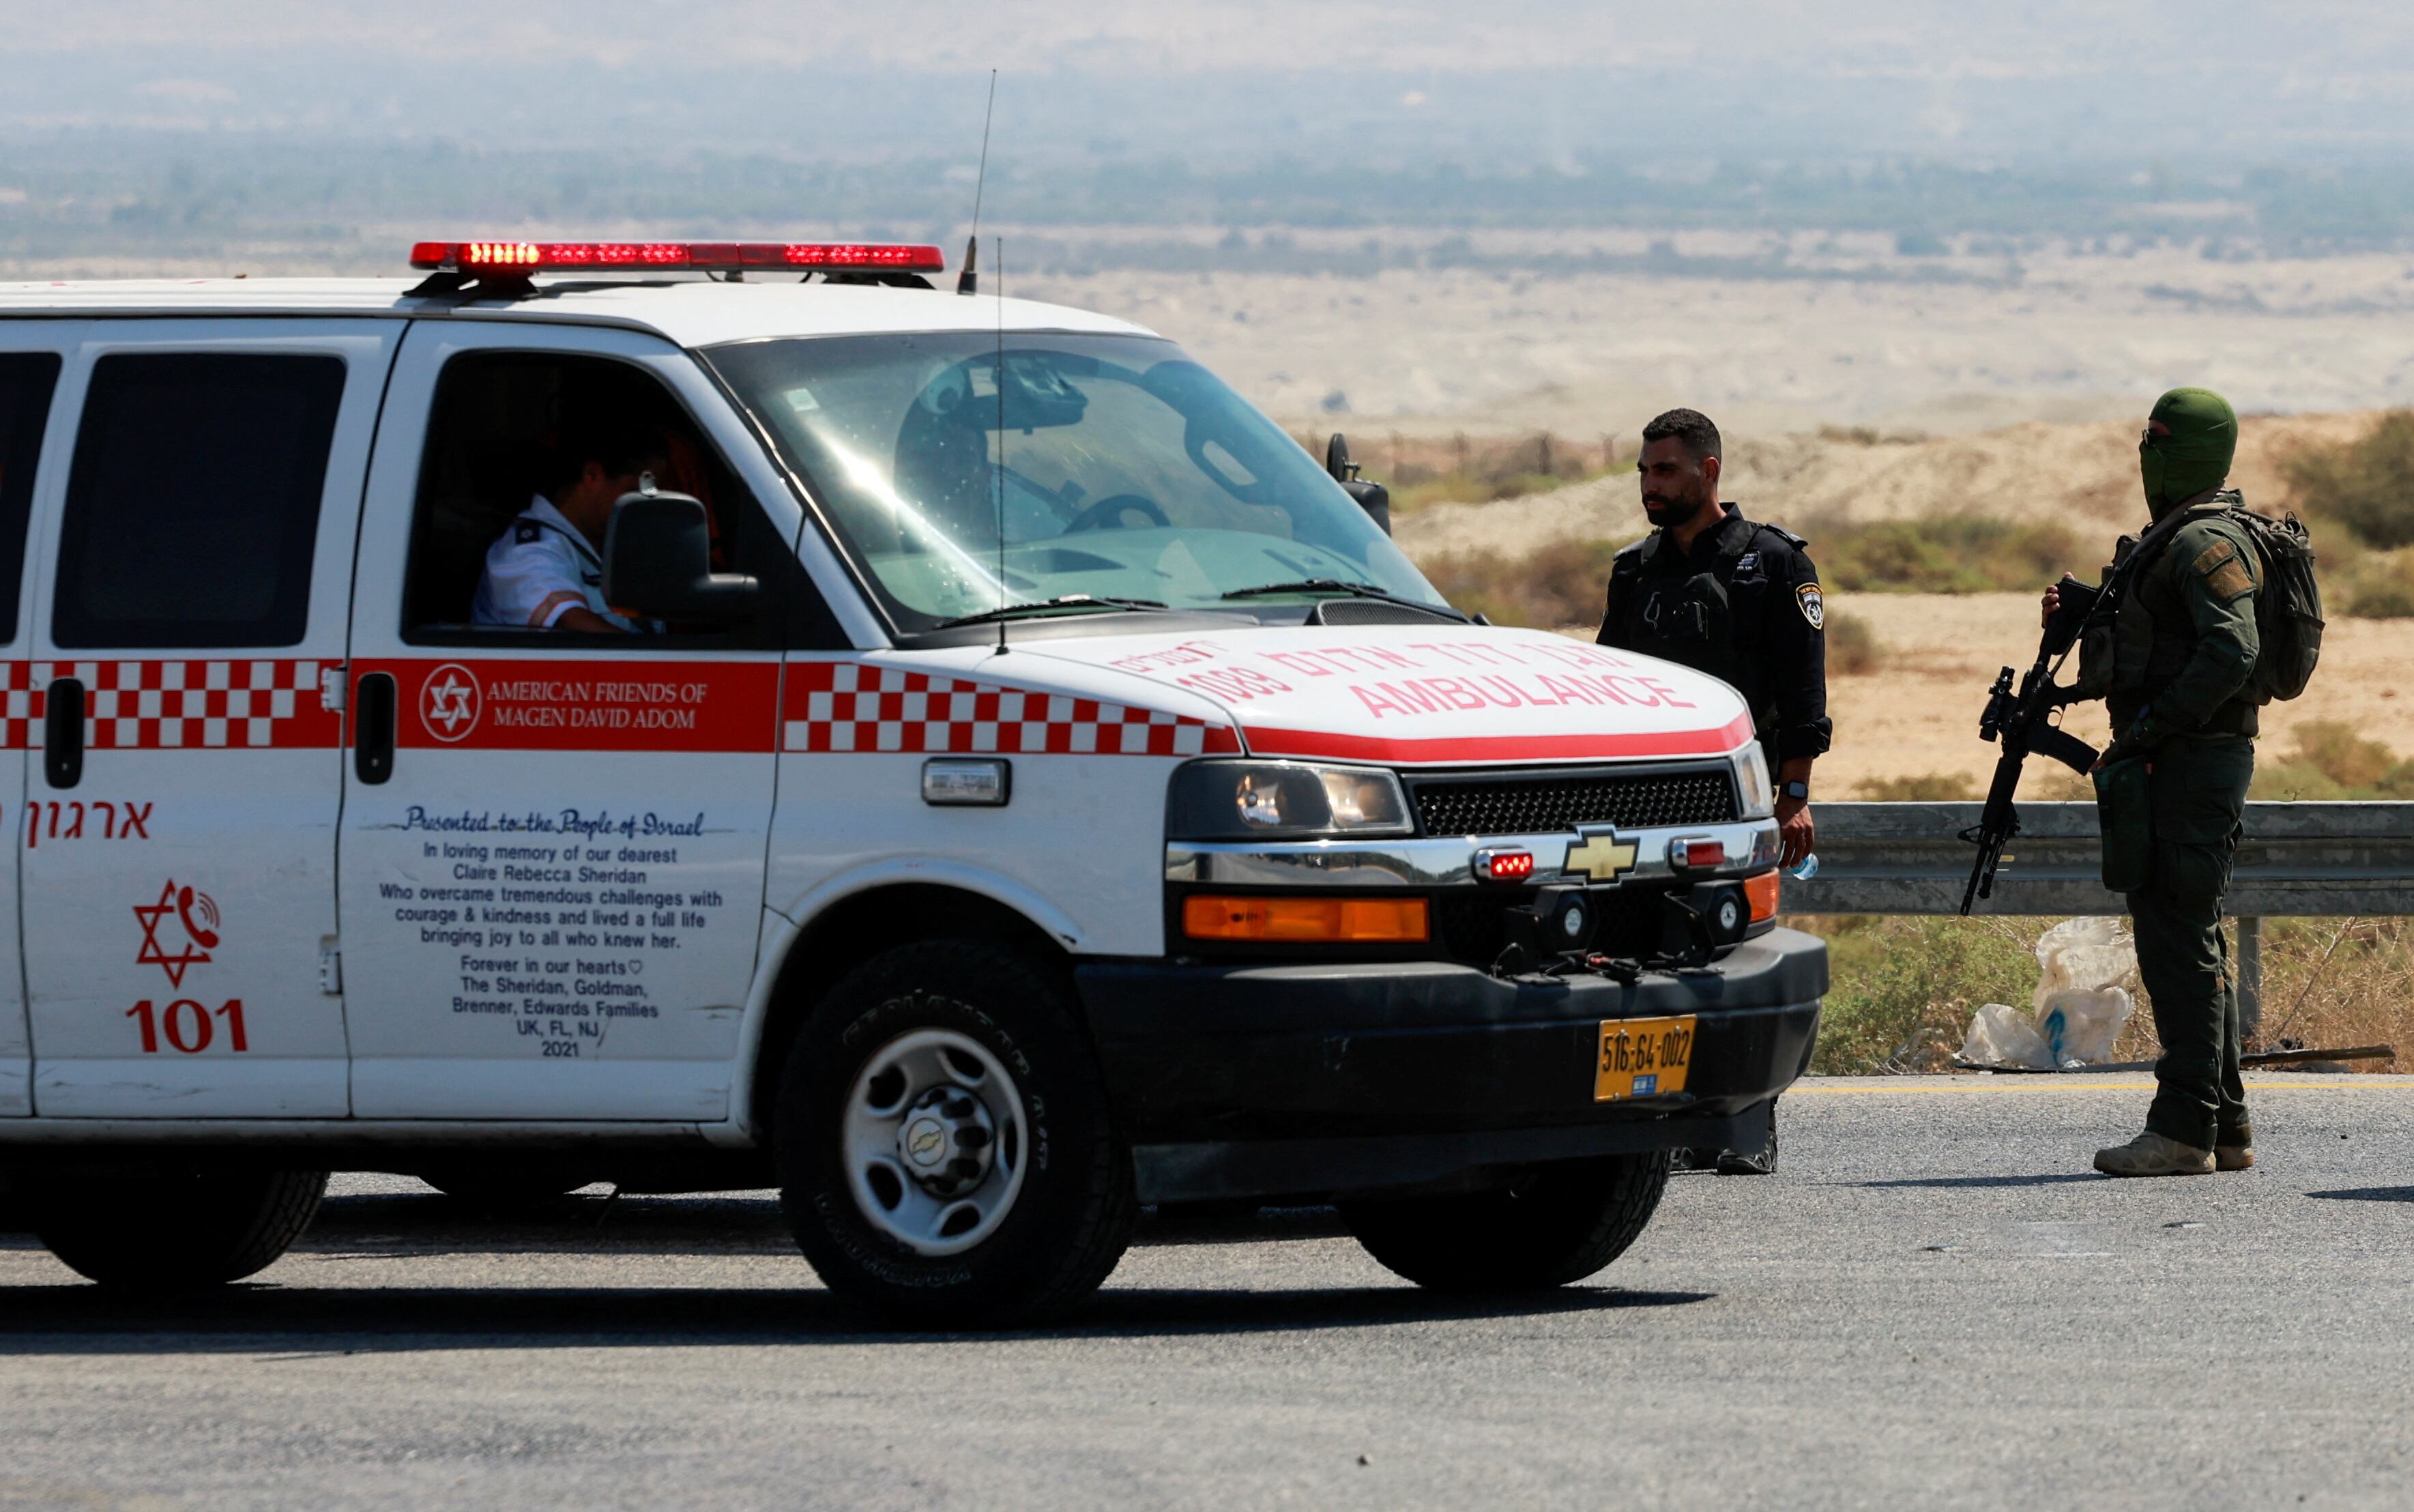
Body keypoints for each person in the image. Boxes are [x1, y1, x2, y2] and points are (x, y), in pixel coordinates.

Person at [1599, 407, 1830, 1175]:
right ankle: (1659, 1118)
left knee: (1736, 950)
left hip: (1744, 795)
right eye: (1642, 471)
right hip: (1645, 803)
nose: (1649, 485)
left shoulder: (1773, 564)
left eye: (1663, 469)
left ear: (1708, 470)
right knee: (1642, 954)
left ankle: (1746, 1120)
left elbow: (1803, 694)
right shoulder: (1635, 569)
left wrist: (1793, 793)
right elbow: (1610, 685)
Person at [2045, 388, 2261, 1178]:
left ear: (2199, 448)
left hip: (2191, 761)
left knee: (2177, 939)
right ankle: (2225, 1125)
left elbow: (2232, 650)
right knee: (2187, 936)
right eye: (2144, 436)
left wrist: (2149, 727)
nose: (2147, 451)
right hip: (2171, 758)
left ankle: (2180, 1129)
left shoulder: (2206, 540)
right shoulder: (2168, 539)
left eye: (2161, 438)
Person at [471, 411, 671, 633]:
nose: (646, 503)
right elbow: (573, 625)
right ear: (593, 474)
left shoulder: (617, 546)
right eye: (636, 491)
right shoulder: (527, 551)